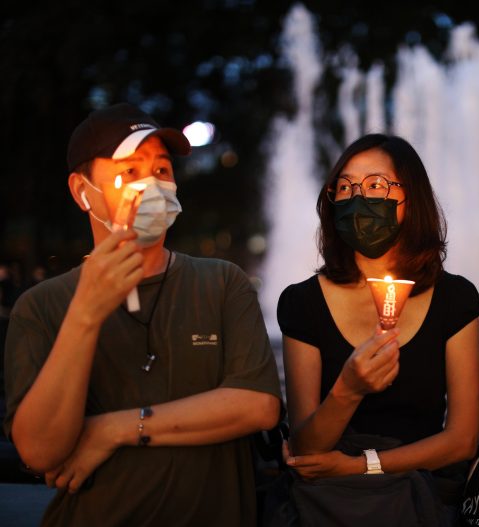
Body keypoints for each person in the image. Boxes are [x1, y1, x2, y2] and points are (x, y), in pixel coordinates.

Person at [3, 103, 282, 526]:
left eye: (162, 170)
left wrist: (113, 429)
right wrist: (85, 313)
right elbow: (40, 451)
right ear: (82, 191)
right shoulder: (42, 306)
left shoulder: (222, 282)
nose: (153, 185)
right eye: (130, 172)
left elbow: (257, 406)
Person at [276, 134, 479, 517]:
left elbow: (462, 440)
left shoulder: (455, 298)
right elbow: (305, 449)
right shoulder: (302, 302)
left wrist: (363, 465)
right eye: (345, 186)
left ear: (411, 197)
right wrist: (348, 390)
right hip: (332, 500)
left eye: (376, 184)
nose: (358, 197)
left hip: (421, 492)